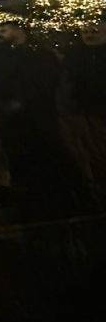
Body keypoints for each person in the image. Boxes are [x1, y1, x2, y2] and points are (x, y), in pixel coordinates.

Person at [0, 21, 91, 215]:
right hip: (20, 116)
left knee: (49, 153)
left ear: (19, 29)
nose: (0, 33)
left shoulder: (38, 55)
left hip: (38, 114)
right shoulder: (7, 54)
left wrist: (21, 100)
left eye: (5, 29)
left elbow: (45, 82)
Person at [63, 19, 106, 206]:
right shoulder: (74, 56)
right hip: (86, 110)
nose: (89, 34)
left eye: (94, 30)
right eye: (86, 31)